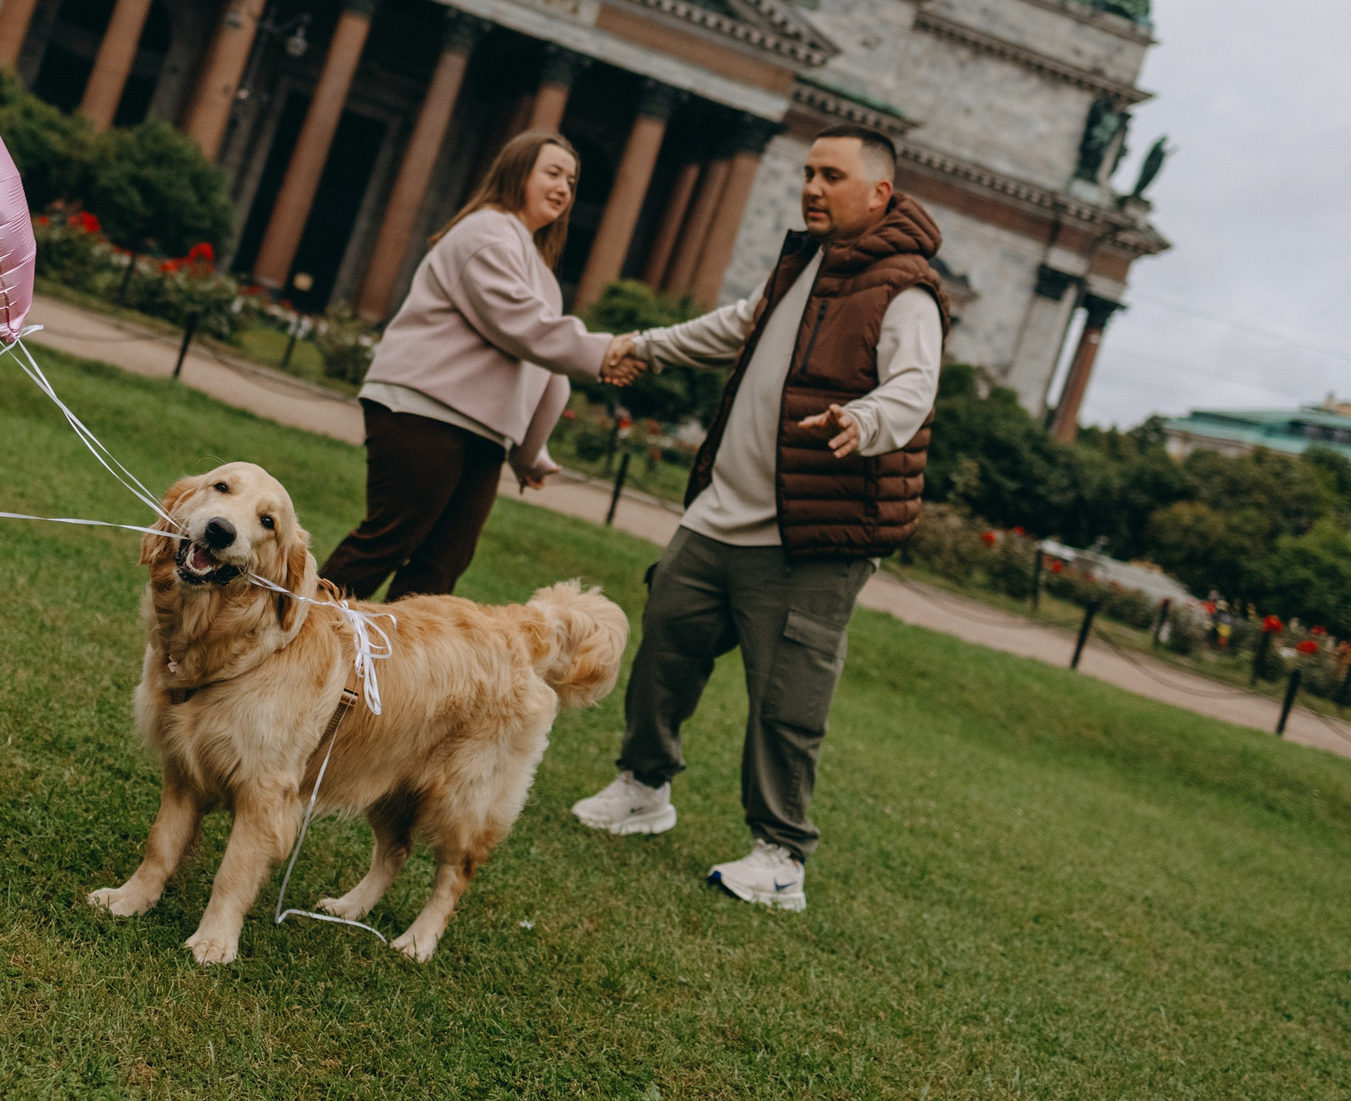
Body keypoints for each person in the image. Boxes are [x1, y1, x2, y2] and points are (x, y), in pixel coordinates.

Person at [570, 127, 944, 913]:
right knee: (665, 643)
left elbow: (913, 389)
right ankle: (643, 788)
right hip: (720, 516)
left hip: (811, 536)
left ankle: (780, 857)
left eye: (831, 175)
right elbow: (731, 327)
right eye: (807, 172)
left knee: (787, 700)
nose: (811, 186)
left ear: (878, 193)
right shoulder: (800, 265)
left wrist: (864, 421)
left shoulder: (905, 291)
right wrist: (647, 345)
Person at [319, 131, 632, 601]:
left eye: (571, 179)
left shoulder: (540, 272)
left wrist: (530, 455)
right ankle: (291, 640)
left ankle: (390, 671)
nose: (564, 188)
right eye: (552, 173)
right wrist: (603, 353)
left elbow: (549, 369)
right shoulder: (485, 233)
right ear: (517, 173)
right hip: (423, 410)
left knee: (441, 569)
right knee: (387, 540)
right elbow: (522, 327)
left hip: (483, 433)